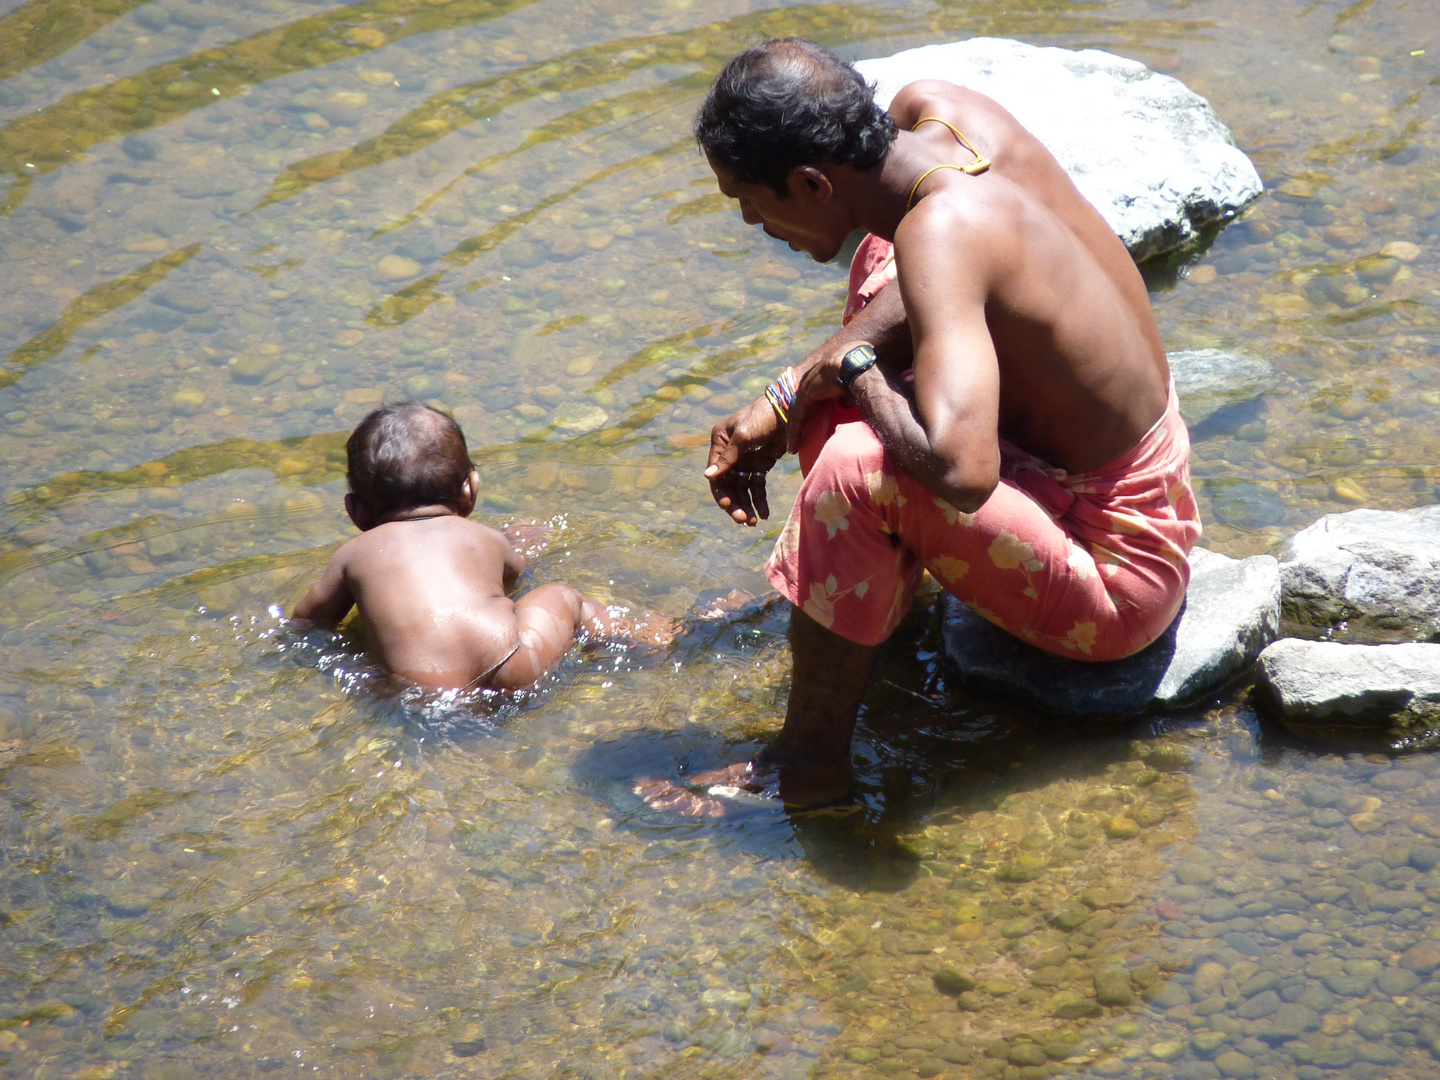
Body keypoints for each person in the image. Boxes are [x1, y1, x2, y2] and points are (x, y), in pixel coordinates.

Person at [671, 38, 1202, 809]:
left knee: (854, 463)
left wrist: (848, 373)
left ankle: (806, 771)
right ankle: (858, 608)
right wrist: (793, 394)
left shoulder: (941, 233)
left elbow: (963, 475)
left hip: (1119, 566)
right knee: (876, 283)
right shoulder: (937, 115)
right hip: (1135, 472)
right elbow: (926, 278)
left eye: (748, 201)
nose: (752, 222)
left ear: (813, 183)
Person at [291, 402, 650, 691]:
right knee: (562, 597)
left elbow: (308, 623)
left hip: (418, 690)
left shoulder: (354, 554)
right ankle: (644, 639)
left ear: (354, 511)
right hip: (512, 666)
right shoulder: (486, 539)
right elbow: (515, 577)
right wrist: (522, 542)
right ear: (470, 490)